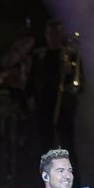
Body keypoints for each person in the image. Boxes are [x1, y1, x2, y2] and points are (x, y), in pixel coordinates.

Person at [27, 20, 84, 163]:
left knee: (67, 147)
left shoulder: (70, 55)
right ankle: (46, 182)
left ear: (61, 35)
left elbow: (79, 85)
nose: (54, 37)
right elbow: (32, 81)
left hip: (63, 107)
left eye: (57, 34)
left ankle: (73, 183)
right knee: (44, 148)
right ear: (46, 35)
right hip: (43, 107)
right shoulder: (39, 56)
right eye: (51, 34)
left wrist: (70, 73)